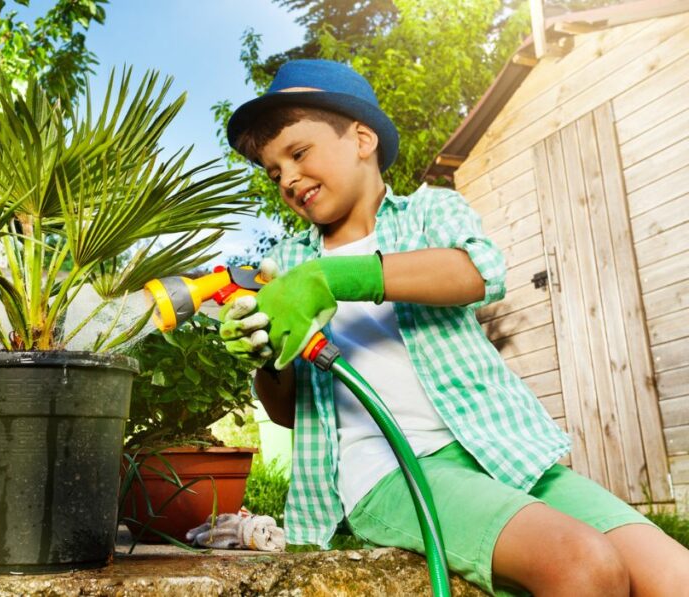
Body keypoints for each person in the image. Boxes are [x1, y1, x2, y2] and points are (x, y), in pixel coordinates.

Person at [219, 58, 689, 596]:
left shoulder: (428, 214)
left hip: (498, 450)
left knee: (676, 578)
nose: (289, 179)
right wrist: (264, 355)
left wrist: (336, 276)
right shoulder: (282, 264)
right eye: (275, 172)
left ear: (362, 139)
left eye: (298, 154)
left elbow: (476, 272)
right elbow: (286, 412)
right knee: (584, 565)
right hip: (393, 471)